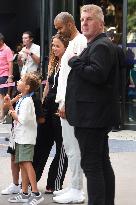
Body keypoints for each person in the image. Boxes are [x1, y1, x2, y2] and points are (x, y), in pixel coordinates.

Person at [65, 4, 120, 205]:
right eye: (82, 19)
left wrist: (75, 61)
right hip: (93, 116)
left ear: (101, 23)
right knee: (102, 163)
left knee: (93, 166)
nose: (84, 23)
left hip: (92, 118)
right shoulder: (98, 45)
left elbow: (97, 74)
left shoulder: (101, 46)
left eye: (89, 19)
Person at [53, 12, 87, 204]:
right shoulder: (73, 43)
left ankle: (77, 189)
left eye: (60, 28)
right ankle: (73, 185)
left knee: (74, 148)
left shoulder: (80, 41)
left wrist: (67, 103)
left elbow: (77, 78)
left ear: (70, 24)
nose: (59, 32)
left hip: (70, 103)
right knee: (69, 147)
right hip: (65, 102)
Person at [33, 33, 69, 193]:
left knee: (62, 147)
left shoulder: (69, 63)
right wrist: (41, 104)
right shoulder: (53, 63)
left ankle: (53, 183)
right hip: (48, 107)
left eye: (57, 46)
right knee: (41, 144)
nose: (54, 48)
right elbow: (48, 85)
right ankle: (30, 180)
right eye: (53, 45)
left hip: (59, 108)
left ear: (66, 47)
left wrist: (64, 106)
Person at [5, 73, 44, 205]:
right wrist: (10, 106)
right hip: (21, 138)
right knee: (21, 164)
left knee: (27, 163)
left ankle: (35, 193)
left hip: (26, 138)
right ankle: (24, 193)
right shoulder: (22, 99)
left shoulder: (27, 101)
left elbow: (22, 119)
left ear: (27, 87)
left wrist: (12, 113)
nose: (18, 82)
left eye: (21, 80)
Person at [0, 33, 13, 122]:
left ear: (1, 41)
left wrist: (10, 76)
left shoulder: (7, 49)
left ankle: (1, 115)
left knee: (2, 96)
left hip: (4, 75)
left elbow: (10, 63)